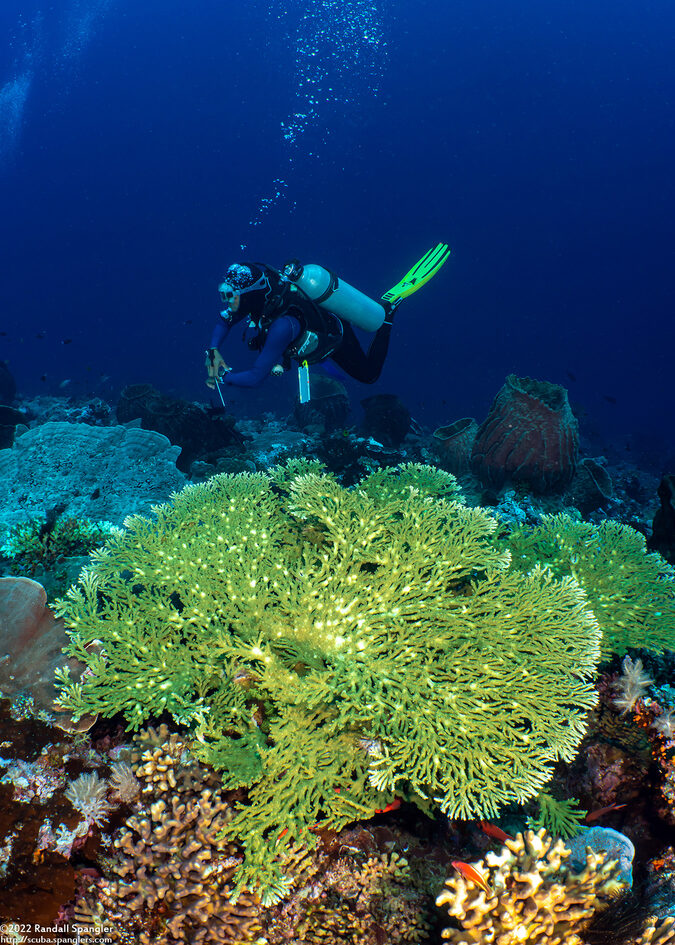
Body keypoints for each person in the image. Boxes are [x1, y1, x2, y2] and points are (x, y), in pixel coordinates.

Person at [205, 246, 450, 395]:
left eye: (231, 296)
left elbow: (256, 377)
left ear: (250, 294)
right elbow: (224, 321)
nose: (227, 302)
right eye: (224, 294)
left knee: (369, 376)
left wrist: (225, 377)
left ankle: (387, 314)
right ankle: (375, 311)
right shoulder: (261, 296)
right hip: (311, 334)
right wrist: (214, 350)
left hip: (335, 337)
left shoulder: (281, 326)